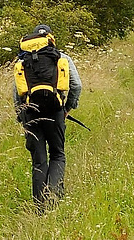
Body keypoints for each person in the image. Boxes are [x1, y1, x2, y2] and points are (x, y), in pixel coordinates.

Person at [13, 24, 82, 211]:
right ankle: (53, 196)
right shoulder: (61, 57)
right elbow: (76, 85)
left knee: (39, 159)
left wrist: (21, 116)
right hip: (55, 111)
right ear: (50, 38)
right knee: (58, 154)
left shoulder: (23, 60)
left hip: (31, 113)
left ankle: (39, 207)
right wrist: (67, 108)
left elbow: (17, 92)